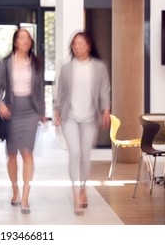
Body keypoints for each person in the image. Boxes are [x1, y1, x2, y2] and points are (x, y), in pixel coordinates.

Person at [53, 31, 111, 216]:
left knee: (85, 156)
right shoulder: (67, 68)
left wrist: (106, 110)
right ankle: (76, 194)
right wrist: (56, 110)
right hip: (69, 116)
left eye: (81, 44)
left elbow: (104, 90)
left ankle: (84, 188)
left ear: (89, 46)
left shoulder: (99, 67)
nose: (78, 47)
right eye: (75, 44)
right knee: (74, 154)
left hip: (90, 118)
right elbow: (60, 91)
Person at [0, 29, 47, 214]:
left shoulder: (37, 63)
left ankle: (25, 197)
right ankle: (15, 190)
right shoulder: (5, 63)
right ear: (15, 42)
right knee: (12, 154)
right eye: (21, 38)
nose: (25, 40)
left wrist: (42, 112)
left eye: (28, 38)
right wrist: (0, 104)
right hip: (11, 112)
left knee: (27, 153)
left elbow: (40, 90)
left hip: (31, 112)